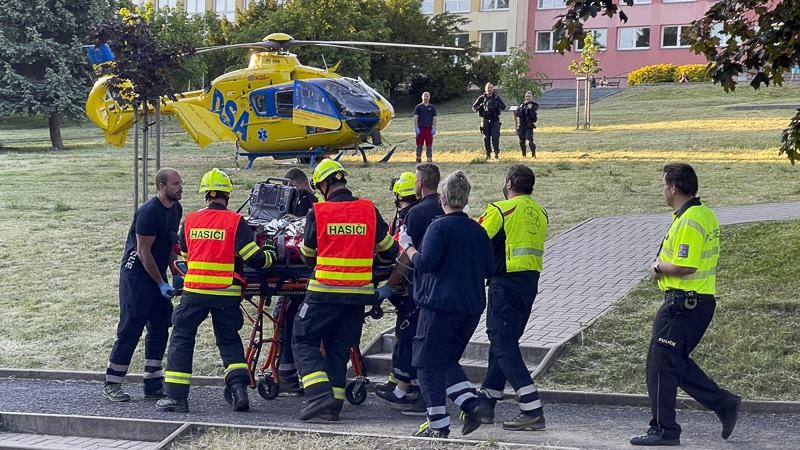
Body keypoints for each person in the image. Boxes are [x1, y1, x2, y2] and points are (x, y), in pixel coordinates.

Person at [630, 163, 740, 446]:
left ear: (674, 188)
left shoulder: (690, 219)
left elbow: (686, 265)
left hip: (684, 304)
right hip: (693, 303)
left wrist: (658, 267)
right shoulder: (702, 214)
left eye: (663, 185)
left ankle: (664, 430)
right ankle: (724, 404)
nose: (662, 190)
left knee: (660, 364)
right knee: (670, 363)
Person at [156, 168, 276, 413]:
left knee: (182, 339)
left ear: (205, 195)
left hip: (195, 292)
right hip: (226, 293)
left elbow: (186, 254)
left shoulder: (190, 220)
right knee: (229, 341)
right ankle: (239, 391)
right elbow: (255, 259)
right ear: (227, 196)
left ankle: (176, 398)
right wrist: (271, 252)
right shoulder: (235, 222)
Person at [295, 160, 399, 421]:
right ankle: (333, 408)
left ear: (324, 184)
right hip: (358, 296)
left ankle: (319, 394)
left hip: (324, 292)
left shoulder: (318, 212)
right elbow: (390, 250)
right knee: (338, 349)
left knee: (302, 338)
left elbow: (307, 254)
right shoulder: (368, 210)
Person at [400, 170, 495, 438]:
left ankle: (452, 415)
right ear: (465, 199)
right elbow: (490, 268)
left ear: (443, 197)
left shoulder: (438, 227)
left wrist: (407, 246)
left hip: (439, 307)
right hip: (471, 308)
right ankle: (457, 410)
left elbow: (425, 263)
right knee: (445, 361)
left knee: (426, 362)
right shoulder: (478, 230)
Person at [477, 164, 548, 431]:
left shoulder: (500, 209)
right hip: (529, 284)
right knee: (503, 341)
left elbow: (477, 238)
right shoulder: (540, 212)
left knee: (503, 342)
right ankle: (487, 400)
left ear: (508, 184)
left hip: (504, 283)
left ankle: (531, 407)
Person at [103, 168, 183, 403]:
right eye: (175, 184)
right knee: (131, 327)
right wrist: (160, 283)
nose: (180, 187)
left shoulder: (176, 209)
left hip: (157, 274)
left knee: (160, 325)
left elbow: (169, 246)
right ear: (161, 186)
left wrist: (176, 273)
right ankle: (113, 383)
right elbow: (143, 252)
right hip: (137, 276)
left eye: (180, 183)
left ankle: (153, 383)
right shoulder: (148, 212)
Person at [374, 172, 423, 412]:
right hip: (410, 286)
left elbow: (402, 253)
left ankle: (404, 389)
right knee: (408, 335)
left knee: (407, 337)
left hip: (409, 287)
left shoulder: (409, 217)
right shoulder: (418, 213)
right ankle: (400, 381)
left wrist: (389, 285)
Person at [272, 167, 322, 393]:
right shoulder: (318, 204)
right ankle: (287, 374)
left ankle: (287, 374)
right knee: (286, 318)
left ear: (294, 184)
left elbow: (306, 245)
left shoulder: (305, 201)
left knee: (287, 320)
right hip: (307, 273)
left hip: (300, 273)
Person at [472, 82, 506, 160]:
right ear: (485, 89)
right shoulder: (482, 98)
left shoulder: (496, 97)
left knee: (495, 137)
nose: (489, 89)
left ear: (492, 89)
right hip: (485, 120)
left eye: (491, 88)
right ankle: (488, 154)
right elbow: (474, 107)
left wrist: (496, 105)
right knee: (486, 138)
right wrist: (481, 106)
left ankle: (496, 154)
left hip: (495, 120)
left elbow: (503, 106)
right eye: (488, 88)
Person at [413, 91, 437, 163]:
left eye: (427, 96)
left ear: (429, 97)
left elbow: (434, 118)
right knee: (419, 143)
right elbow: (415, 117)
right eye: (424, 96)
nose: (426, 97)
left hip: (429, 129)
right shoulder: (418, 107)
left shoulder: (432, 107)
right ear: (422, 97)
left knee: (429, 144)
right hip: (420, 129)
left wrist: (434, 127)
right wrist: (416, 127)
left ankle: (429, 158)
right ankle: (418, 157)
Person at [514, 91, 539, 158]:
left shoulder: (534, 105)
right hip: (522, 125)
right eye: (526, 96)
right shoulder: (522, 105)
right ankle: (524, 155)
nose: (527, 98)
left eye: (529, 96)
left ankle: (533, 154)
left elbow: (534, 117)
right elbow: (517, 114)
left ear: (532, 97)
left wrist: (530, 109)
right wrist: (523, 108)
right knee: (521, 141)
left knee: (530, 140)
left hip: (529, 125)